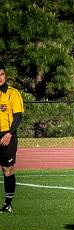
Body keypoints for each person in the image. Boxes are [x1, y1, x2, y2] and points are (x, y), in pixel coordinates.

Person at [0, 62, 24, 213]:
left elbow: (18, 116)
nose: (0, 78)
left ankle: (8, 204)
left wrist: (9, 133)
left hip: (8, 135)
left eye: (2, 74)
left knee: (7, 169)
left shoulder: (12, 93)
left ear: (5, 75)